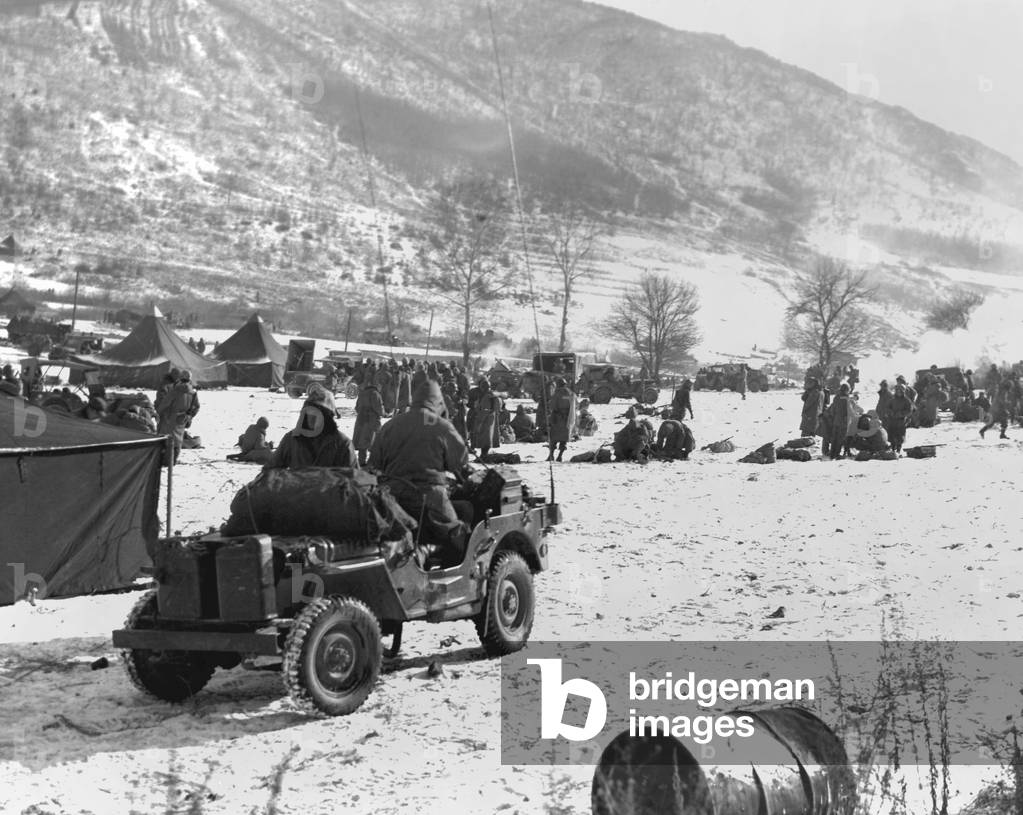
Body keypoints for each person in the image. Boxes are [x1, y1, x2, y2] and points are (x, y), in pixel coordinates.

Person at [369, 380, 472, 565]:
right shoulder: (440, 424)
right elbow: (460, 461)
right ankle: (428, 553)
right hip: (429, 497)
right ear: (438, 401)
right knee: (456, 535)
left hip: (393, 496)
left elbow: (375, 461)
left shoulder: (392, 424)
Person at [267, 387, 358, 469]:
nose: (311, 418)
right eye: (308, 412)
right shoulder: (292, 439)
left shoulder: (342, 444)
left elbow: (355, 480)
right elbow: (269, 471)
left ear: (327, 417)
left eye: (317, 413)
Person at [156, 369, 195, 464]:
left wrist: (158, 413)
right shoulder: (192, 392)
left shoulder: (175, 390)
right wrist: (189, 416)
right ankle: (173, 460)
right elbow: (196, 406)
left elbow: (165, 403)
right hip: (182, 418)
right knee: (178, 440)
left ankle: (166, 461)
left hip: (170, 417)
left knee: (167, 439)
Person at [352, 381, 385, 466]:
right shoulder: (376, 394)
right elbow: (379, 408)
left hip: (360, 420)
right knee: (374, 441)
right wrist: (383, 413)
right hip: (372, 420)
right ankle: (373, 462)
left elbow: (357, 408)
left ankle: (361, 461)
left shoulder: (362, 393)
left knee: (362, 441)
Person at [470, 377, 502, 460]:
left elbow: (484, 411)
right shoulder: (493, 395)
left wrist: (479, 423)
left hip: (485, 421)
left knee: (484, 439)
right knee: (487, 438)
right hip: (492, 419)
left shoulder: (486, 397)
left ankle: (483, 455)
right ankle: (484, 455)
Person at [546, 377, 577, 462]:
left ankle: (551, 455)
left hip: (558, 418)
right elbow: (575, 405)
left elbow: (552, 405)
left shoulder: (557, 393)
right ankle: (560, 456)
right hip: (568, 419)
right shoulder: (571, 393)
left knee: (553, 438)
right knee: (564, 439)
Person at [884, 383, 914, 454]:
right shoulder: (892, 400)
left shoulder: (907, 401)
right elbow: (887, 408)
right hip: (892, 421)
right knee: (892, 435)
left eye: (900, 391)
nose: (899, 392)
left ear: (903, 391)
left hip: (901, 421)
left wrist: (901, 414)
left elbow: (909, 410)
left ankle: (898, 449)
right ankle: (893, 448)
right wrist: (890, 413)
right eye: (897, 391)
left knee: (900, 436)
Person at [826, 383, 853, 459]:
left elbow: (832, 410)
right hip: (844, 422)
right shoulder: (847, 399)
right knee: (840, 439)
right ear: (847, 390)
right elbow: (850, 411)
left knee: (834, 437)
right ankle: (837, 454)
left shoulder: (836, 397)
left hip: (836, 421)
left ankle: (832, 453)